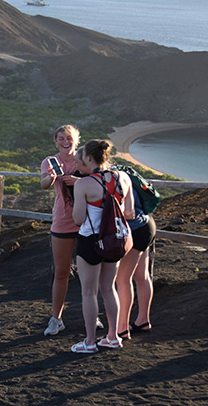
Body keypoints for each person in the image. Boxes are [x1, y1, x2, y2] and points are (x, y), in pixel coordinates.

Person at [69, 139, 134, 353]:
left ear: (88, 158)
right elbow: (129, 212)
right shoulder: (123, 178)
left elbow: (78, 219)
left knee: (89, 292)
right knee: (109, 288)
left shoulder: (83, 184)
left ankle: (89, 342)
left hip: (90, 240)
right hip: (114, 240)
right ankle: (113, 337)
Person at [40, 125, 83, 336]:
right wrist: (51, 178)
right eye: (61, 138)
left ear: (77, 140)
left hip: (87, 223)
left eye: (70, 138)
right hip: (63, 222)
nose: (66, 142)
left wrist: (78, 181)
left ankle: (92, 315)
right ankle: (56, 319)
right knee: (61, 272)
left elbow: (99, 181)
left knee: (90, 273)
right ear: (55, 141)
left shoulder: (85, 159)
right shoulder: (50, 162)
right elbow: (44, 184)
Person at [114, 173, 157, 340]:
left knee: (122, 280)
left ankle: (122, 329)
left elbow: (128, 213)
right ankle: (143, 321)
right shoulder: (123, 173)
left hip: (134, 228)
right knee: (142, 275)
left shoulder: (108, 178)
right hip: (146, 224)